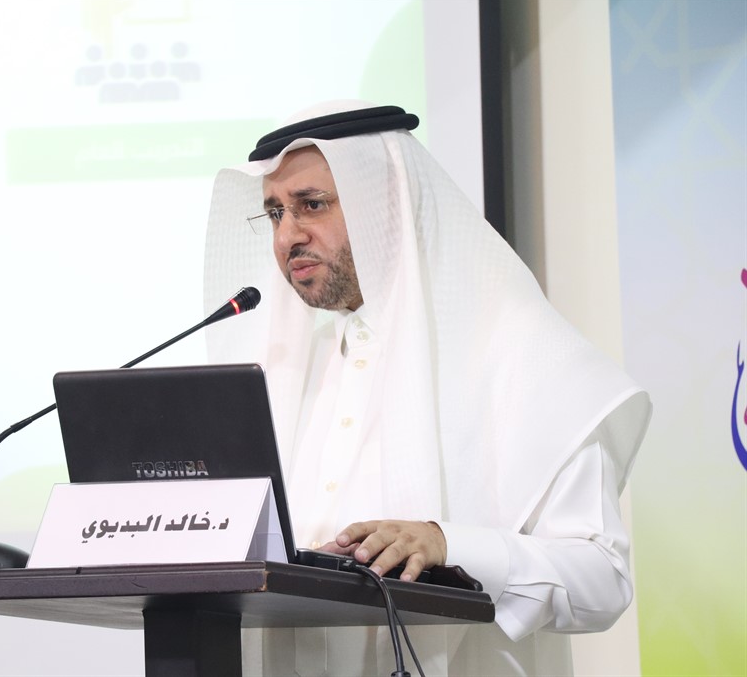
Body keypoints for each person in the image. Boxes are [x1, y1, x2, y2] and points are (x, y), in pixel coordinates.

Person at [202, 100, 652, 676]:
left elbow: (602, 580)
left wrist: (448, 546)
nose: (288, 236)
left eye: (311, 204)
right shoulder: (288, 375)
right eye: (273, 213)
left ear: (386, 203)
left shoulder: (521, 354)